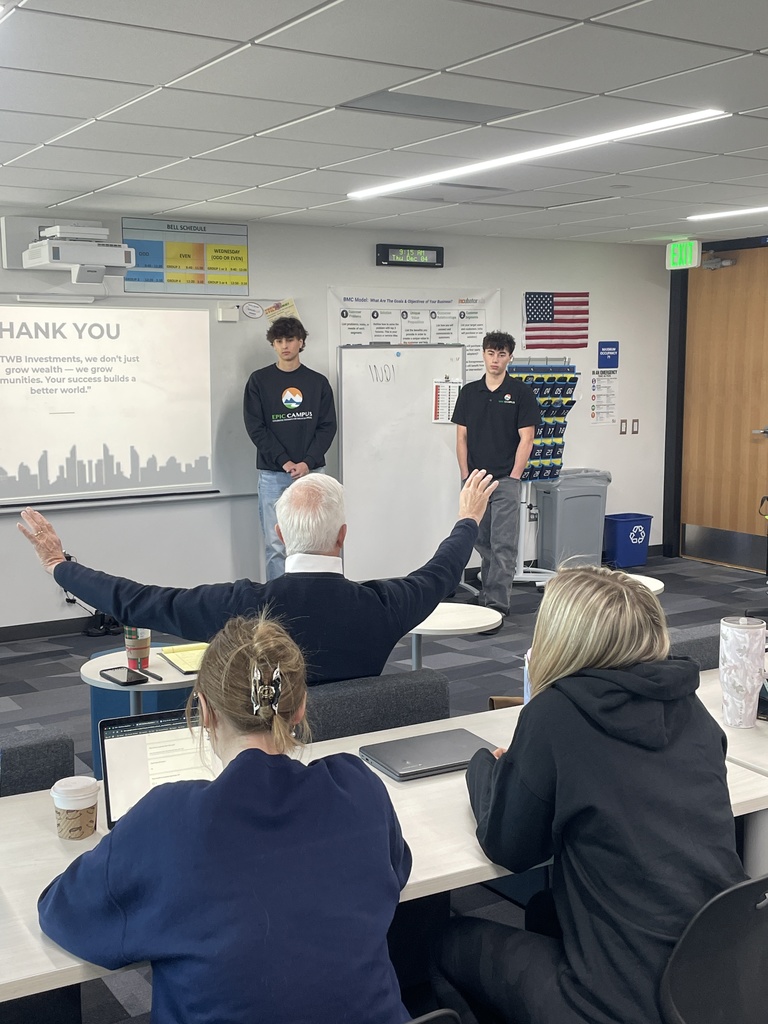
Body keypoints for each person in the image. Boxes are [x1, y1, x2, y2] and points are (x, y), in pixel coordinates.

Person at [38, 614, 412, 1024]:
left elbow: (64, 913)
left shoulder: (166, 820)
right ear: (301, 707)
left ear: (204, 710)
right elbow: (395, 872)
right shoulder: (359, 786)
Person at [433, 565, 747, 1024]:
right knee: (544, 909)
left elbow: (509, 846)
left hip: (617, 1002)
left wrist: (485, 767)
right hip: (710, 985)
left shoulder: (556, 715)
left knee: (446, 943)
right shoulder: (694, 711)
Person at [18, 470, 497, 685]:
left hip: (270, 763)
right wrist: (468, 518)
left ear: (279, 533)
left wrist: (59, 565)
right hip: (364, 759)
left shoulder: (241, 607)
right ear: (343, 536)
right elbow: (441, 572)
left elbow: (137, 600)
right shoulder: (384, 604)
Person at [451, 331, 539, 617]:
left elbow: (527, 439)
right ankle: (488, 594)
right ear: (484, 354)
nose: (495, 359)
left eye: (501, 354)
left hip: (504, 481)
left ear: (509, 357)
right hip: (476, 481)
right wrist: (466, 475)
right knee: (480, 540)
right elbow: (461, 437)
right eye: (491, 353)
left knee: (503, 544)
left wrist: (513, 477)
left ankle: (497, 605)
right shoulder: (469, 393)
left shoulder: (521, 394)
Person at [243, 316, 337, 580]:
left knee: (317, 542)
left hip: (313, 473)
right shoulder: (259, 381)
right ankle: (278, 606)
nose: (285, 346)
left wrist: (307, 462)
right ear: (273, 345)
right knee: (277, 545)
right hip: (274, 475)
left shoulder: (317, 382)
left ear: (301, 342)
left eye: (290, 340)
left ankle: (313, 595)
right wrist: (284, 461)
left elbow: (327, 426)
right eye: (279, 341)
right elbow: (256, 427)